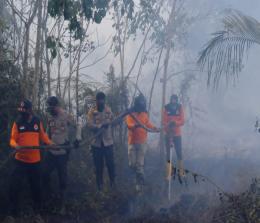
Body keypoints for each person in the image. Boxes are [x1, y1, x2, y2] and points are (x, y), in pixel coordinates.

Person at [7, 99, 53, 222]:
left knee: (36, 188)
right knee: (15, 186)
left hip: (35, 161)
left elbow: (43, 136)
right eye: (20, 110)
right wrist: (15, 145)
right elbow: (12, 139)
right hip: (20, 161)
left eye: (24, 110)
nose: (22, 112)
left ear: (30, 110)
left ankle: (37, 214)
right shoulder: (17, 122)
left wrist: (49, 143)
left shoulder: (37, 121)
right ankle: (13, 214)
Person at [42, 96, 77, 207]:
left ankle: (63, 204)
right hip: (51, 151)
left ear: (56, 106)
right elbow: (47, 132)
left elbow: (78, 125)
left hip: (62, 151)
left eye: (52, 107)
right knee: (44, 174)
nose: (50, 110)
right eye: (48, 107)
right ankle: (49, 198)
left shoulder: (66, 115)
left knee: (62, 177)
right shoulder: (50, 117)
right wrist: (46, 142)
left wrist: (78, 138)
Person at [125, 94, 160, 192]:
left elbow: (147, 124)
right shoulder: (131, 113)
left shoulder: (144, 114)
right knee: (133, 164)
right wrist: (134, 125)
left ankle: (139, 186)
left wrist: (154, 128)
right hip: (132, 142)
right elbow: (129, 124)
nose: (142, 104)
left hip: (142, 142)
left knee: (139, 164)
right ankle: (138, 181)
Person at [87, 92, 115, 191]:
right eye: (99, 100)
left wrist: (110, 122)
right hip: (96, 144)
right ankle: (100, 187)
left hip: (108, 143)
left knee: (111, 164)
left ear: (104, 100)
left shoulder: (108, 109)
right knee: (98, 167)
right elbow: (89, 124)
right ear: (97, 101)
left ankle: (113, 184)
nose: (101, 102)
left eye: (103, 100)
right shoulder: (92, 111)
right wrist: (99, 126)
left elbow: (113, 120)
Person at [162, 94, 185, 177]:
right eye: (172, 99)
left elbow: (182, 121)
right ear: (170, 100)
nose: (174, 101)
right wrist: (168, 126)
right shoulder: (166, 108)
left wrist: (175, 123)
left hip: (177, 134)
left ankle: (181, 172)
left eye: (175, 99)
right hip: (168, 134)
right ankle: (168, 172)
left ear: (177, 100)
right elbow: (163, 121)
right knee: (168, 154)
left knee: (179, 152)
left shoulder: (180, 108)